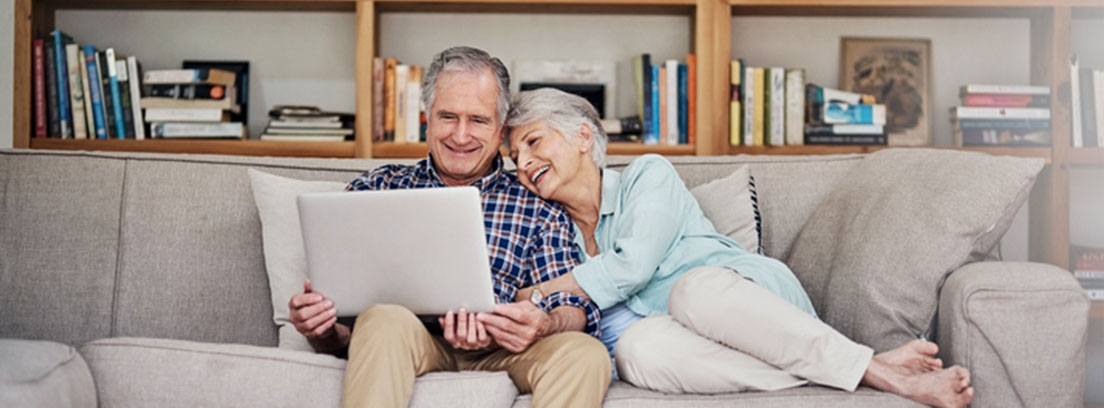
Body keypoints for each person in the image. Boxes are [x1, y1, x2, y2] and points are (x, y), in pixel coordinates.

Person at [499, 87, 975, 408]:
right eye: (514, 156)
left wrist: (537, 293)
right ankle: (862, 365)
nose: (523, 163)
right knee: (637, 349)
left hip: (746, 302)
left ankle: (888, 377)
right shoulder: (549, 229)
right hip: (690, 343)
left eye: (533, 142)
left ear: (583, 136)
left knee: (694, 291)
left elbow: (634, 267)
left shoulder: (648, 175)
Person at [287, 47, 610, 408]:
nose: (460, 135)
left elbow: (572, 305)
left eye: (478, 120)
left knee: (585, 352)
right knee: (382, 317)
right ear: (428, 119)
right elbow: (341, 333)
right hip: (407, 340)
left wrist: (543, 323)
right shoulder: (378, 188)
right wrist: (323, 329)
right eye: (448, 117)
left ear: (501, 129)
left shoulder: (537, 202)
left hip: (506, 351)